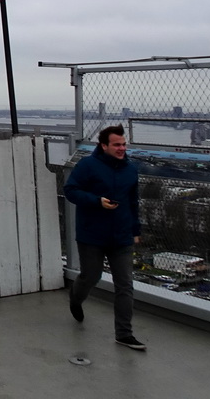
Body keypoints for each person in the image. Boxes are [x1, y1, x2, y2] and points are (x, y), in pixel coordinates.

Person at [63, 123, 146, 350]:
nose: (122, 148)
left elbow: (132, 203)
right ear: (104, 145)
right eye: (117, 145)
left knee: (125, 285)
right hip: (92, 234)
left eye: (124, 144)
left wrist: (135, 231)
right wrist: (96, 201)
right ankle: (76, 298)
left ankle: (124, 334)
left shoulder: (130, 170)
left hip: (121, 236)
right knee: (91, 276)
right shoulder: (88, 165)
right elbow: (71, 190)